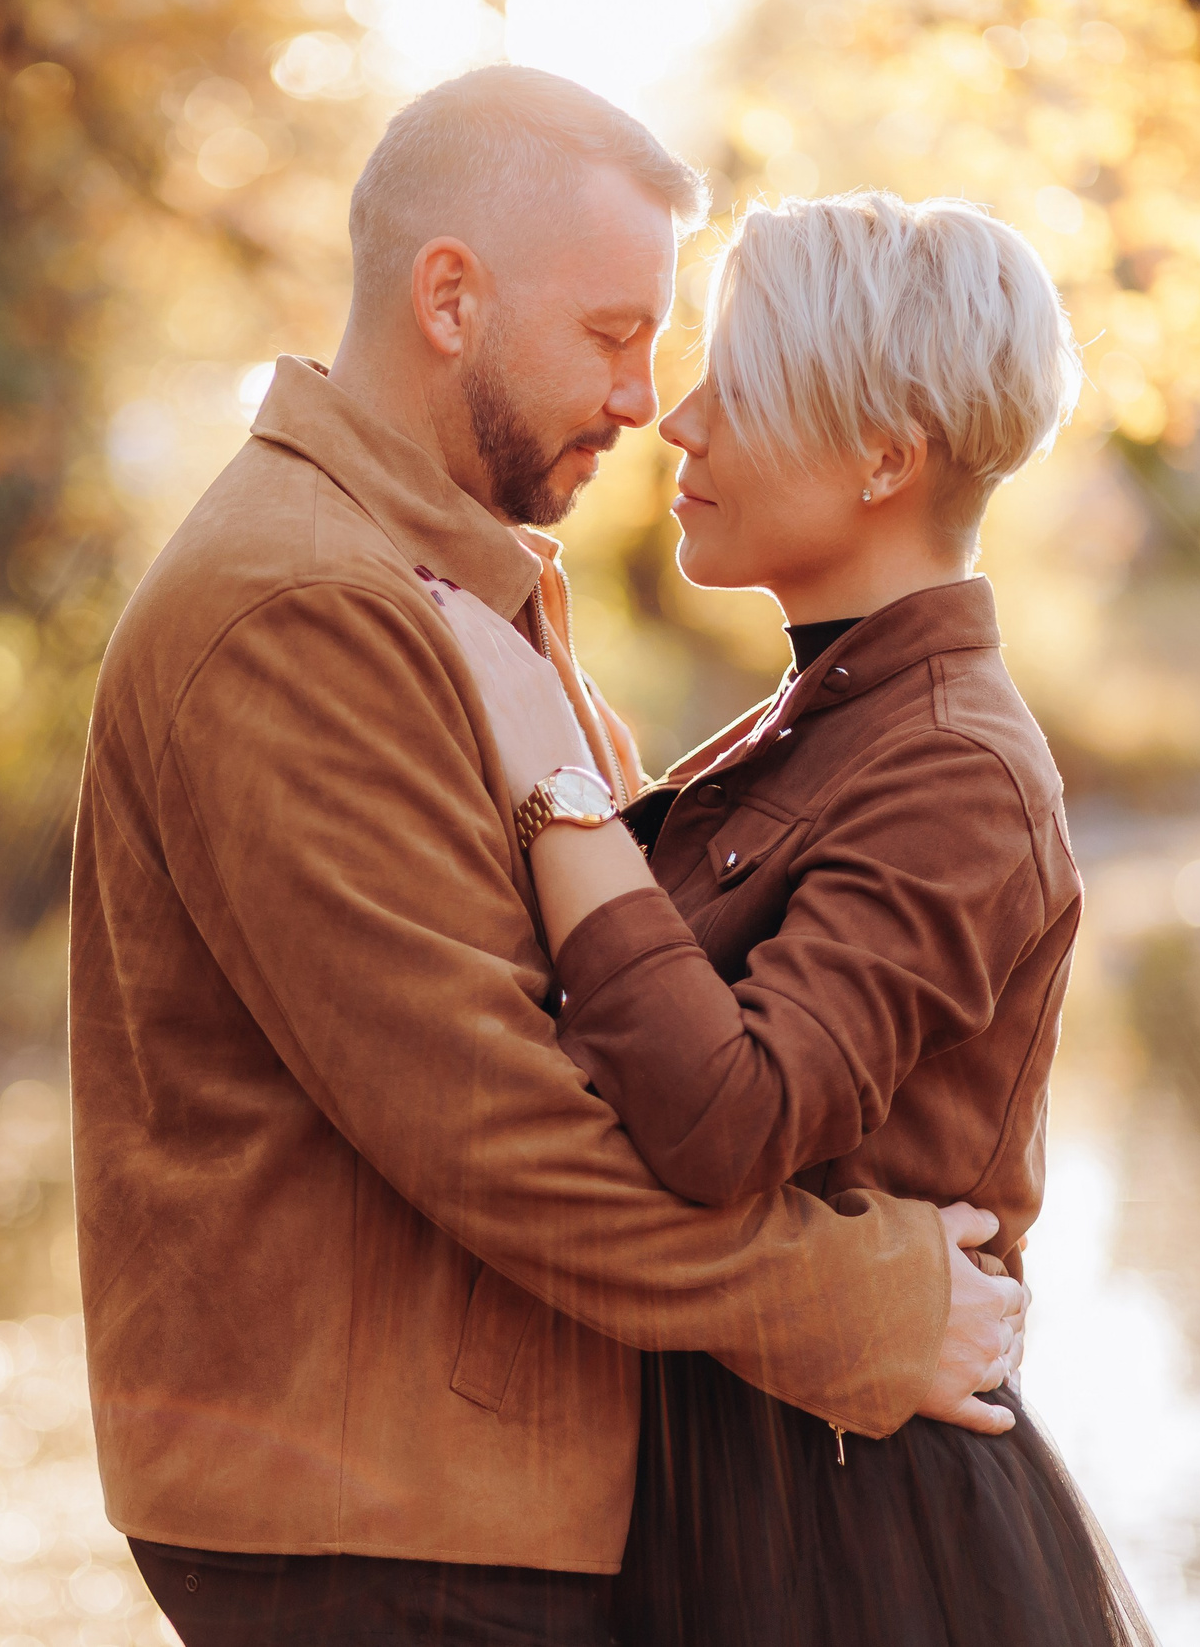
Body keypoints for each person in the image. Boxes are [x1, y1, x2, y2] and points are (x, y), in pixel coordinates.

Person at [68, 69, 1029, 1646]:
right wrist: (856, 1303)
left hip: (464, 1490)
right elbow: (501, 1126)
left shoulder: (442, 578)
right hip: (379, 1515)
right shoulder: (304, 609)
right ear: (450, 299)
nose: (650, 399)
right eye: (612, 332)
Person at [434, 190, 1154, 1644]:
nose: (679, 424)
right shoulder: (819, 724)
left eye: (738, 387)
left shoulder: (950, 764)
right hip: (738, 1492)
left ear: (887, 454)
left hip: (850, 1545)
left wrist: (555, 789)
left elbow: (728, 1116)